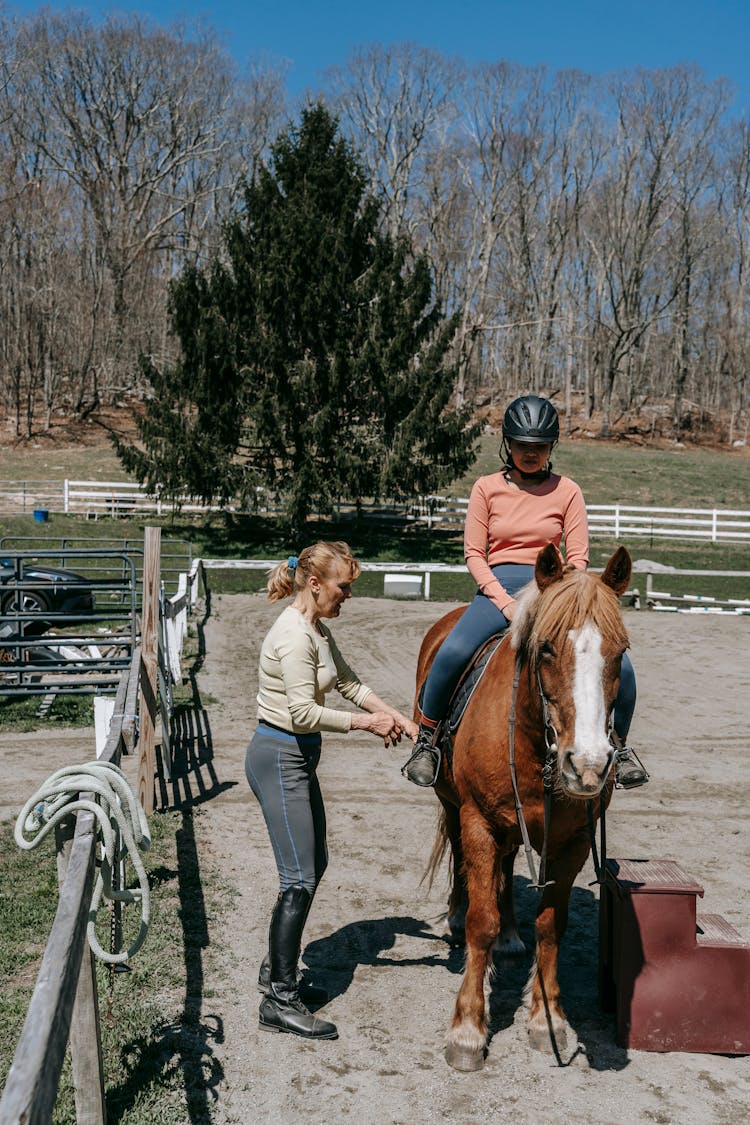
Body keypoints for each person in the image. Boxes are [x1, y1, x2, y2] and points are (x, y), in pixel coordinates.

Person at [402, 393, 648, 791]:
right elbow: (474, 553)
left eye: (539, 447)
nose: (530, 454)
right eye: (522, 446)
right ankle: (427, 742)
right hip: (497, 588)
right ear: (508, 444)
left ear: (551, 448)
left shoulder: (568, 490)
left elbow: (579, 557)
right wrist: (503, 603)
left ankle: (619, 745)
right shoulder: (486, 489)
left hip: (555, 592)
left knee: (623, 667)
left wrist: (559, 602)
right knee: (451, 652)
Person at [246, 540, 418, 1042]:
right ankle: (279, 999)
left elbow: (348, 682)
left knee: (313, 865)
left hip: (297, 757)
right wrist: (368, 725)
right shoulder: (294, 636)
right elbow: (302, 713)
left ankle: (275, 970)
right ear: (316, 584)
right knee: (298, 878)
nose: (348, 595)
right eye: (344, 587)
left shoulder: (316, 631)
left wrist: (397, 717)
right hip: (280, 755)